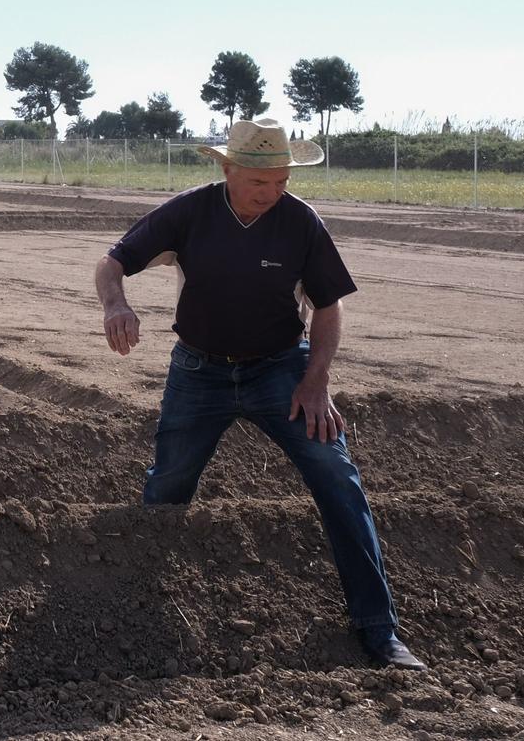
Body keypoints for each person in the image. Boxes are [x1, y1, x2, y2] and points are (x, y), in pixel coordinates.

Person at [92, 117, 423, 670]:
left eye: (282, 181)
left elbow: (329, 304)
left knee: (337, 476)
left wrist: (316, 382)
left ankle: (379, 631)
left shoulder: (300, 223)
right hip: (199, 372)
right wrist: (115, 304)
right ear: (228, 170)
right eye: (260, 182)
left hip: (281, 373)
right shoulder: (191, 211)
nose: (273, 193)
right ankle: (136, 617)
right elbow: (112, 262)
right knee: (168, 487)